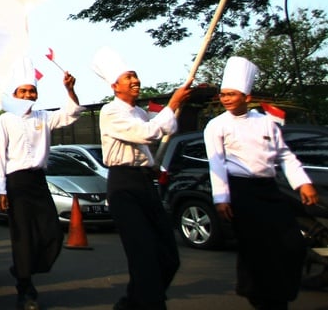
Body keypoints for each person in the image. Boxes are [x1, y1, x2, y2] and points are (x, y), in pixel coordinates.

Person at [204, 56, 319, 310]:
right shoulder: (217, 126)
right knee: (255, 249)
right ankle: (259, 296)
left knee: (292, 244)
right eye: (223, 94)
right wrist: (221, 199)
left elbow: (285, 155)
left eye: (231, 94)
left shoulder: (265, 121)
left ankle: (280, 293)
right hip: (240, 190)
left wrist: (303, 183)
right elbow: (217, 164)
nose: (225, 99)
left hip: (268, 188)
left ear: (247, 96)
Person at [92, 46, 192, 310]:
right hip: (124, 185)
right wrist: (172, 104)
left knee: (168, 256)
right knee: (143, 253)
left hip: (146, 183)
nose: (135, 81)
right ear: (115, 86)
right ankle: (150, 303)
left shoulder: (139, 111)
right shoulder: (110, 111)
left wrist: (176, 105)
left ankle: (133, 302)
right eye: (128, 77)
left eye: (135, 76)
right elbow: (147, 134)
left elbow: (165, 127)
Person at [0, 58, 83, 310]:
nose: (28, 94)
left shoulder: (44, 116)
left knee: (51, 233)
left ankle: (23, 268)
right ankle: (25, 287)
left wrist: (70, 90)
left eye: (32, 90)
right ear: (15, 94)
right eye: (23, 91)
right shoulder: (5, 120)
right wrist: (0, 190)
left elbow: (72, 114)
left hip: (38, 181)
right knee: (23, 237)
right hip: (16, 182)